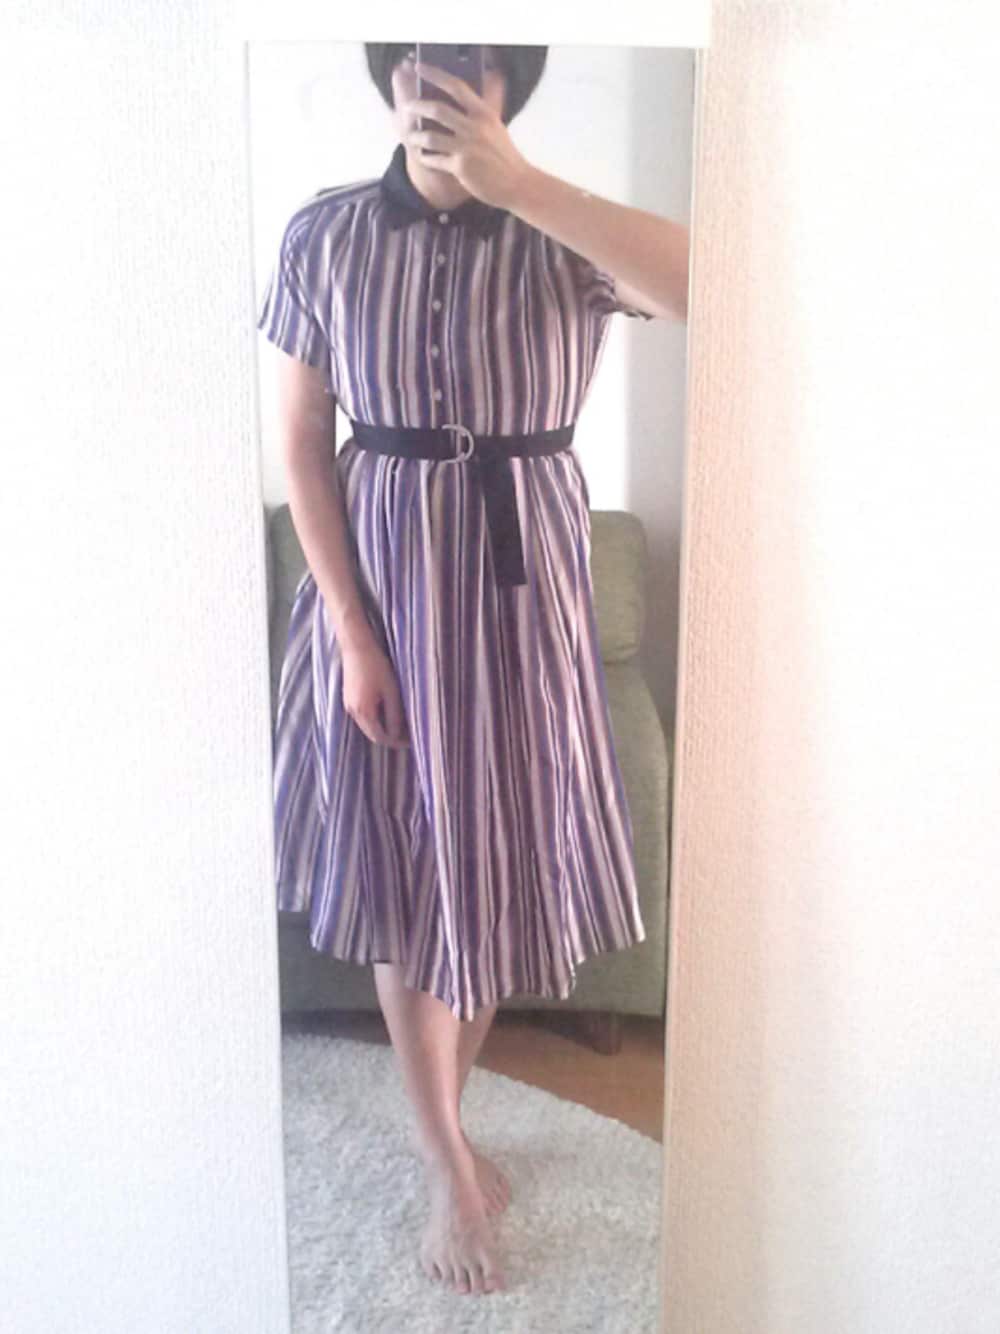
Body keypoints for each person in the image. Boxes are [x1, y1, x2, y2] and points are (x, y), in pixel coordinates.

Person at [256, 42, 689, 1300]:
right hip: (383, 597)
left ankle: (447, 1124)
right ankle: (445, 1149)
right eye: (412, 54)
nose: (432, 77)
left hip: (521, 602)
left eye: (466, 60)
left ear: (511, 82)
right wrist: (351, 632)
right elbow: (302, 440)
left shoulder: (567, 234)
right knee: (407, 870)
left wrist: (523, 187)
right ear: (382, 73)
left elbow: (712, 288)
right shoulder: (324, 234)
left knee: (492, 867)